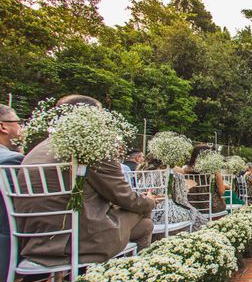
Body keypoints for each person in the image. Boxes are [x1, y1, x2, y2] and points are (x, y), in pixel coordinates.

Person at [17, 95, 157, 267]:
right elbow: (124, 197)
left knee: (141, 216)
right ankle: (136, 277)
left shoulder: (36, 150)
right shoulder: (90, 149)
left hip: (35, 243)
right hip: (78, 240)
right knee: (145, 219)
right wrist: (149, 201)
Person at [139, 157, 207, 232]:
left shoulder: (141, 173)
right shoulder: (172, 174)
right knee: (195, 215)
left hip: (144, 210)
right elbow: (180, 198)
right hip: (165, 209)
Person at [0, 105, 24, 282]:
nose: (21, 128)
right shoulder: (10, 160)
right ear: (3, 126)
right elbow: (24, 206)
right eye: (18, 123)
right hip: (9, 253)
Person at [184, 144, 227, 215]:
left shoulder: (185, 170)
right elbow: (222, 191)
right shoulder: (214, 170)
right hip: (212, 207)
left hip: (191, 207)